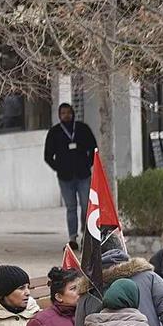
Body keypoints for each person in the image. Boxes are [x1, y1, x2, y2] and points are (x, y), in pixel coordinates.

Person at [41, 103, 98, 244]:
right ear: (59, 115)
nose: (66, 115)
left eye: (69, 112)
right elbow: (48, 155)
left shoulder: (82, 129)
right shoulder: (55, 132)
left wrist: (88, 164)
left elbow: (93, 148)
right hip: (65, 177)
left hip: (83, 175)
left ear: (73, 113)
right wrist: (59, 168)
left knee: (86, 205)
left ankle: (86, 234)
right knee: (71, 207)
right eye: (63, 113)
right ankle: (72, 237)